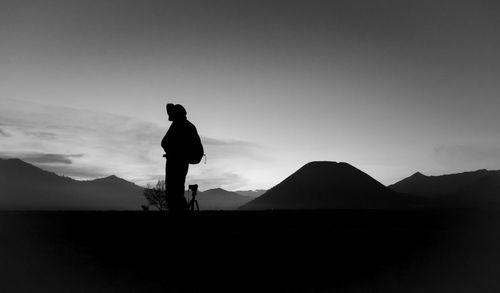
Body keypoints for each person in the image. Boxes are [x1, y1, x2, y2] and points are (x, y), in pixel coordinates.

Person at [161, 103, 199, 212]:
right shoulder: (187, 125)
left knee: (174, 194)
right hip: (181, 163)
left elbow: (164, 142)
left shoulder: (179, 125)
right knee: (177, 192)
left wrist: (173, 152)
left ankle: (179, 218)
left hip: (175, 163)